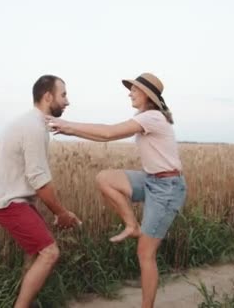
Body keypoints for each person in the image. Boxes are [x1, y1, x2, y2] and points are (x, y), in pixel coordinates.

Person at [46, 72, 186, 308]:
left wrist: (68, 124)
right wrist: (71, 131)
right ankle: (132, 225)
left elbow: (109, 133)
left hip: (167, 188)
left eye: (134, 89)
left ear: (147, 95)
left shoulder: (152, 117)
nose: (129, 93)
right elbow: (104, 137)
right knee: (105, 178)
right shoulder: (145, 117)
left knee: (145, 254)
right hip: (151, 180)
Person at [0, 74, 81, 308]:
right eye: (63, 95)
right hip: (7, 201)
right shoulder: (33, 127)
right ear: (48, 96)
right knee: (50, 252)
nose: (67, 101)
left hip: (15, 198)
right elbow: (39, 180)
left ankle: (26, 300)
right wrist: (61, 213)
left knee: (37, 250)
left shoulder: (34, 123)